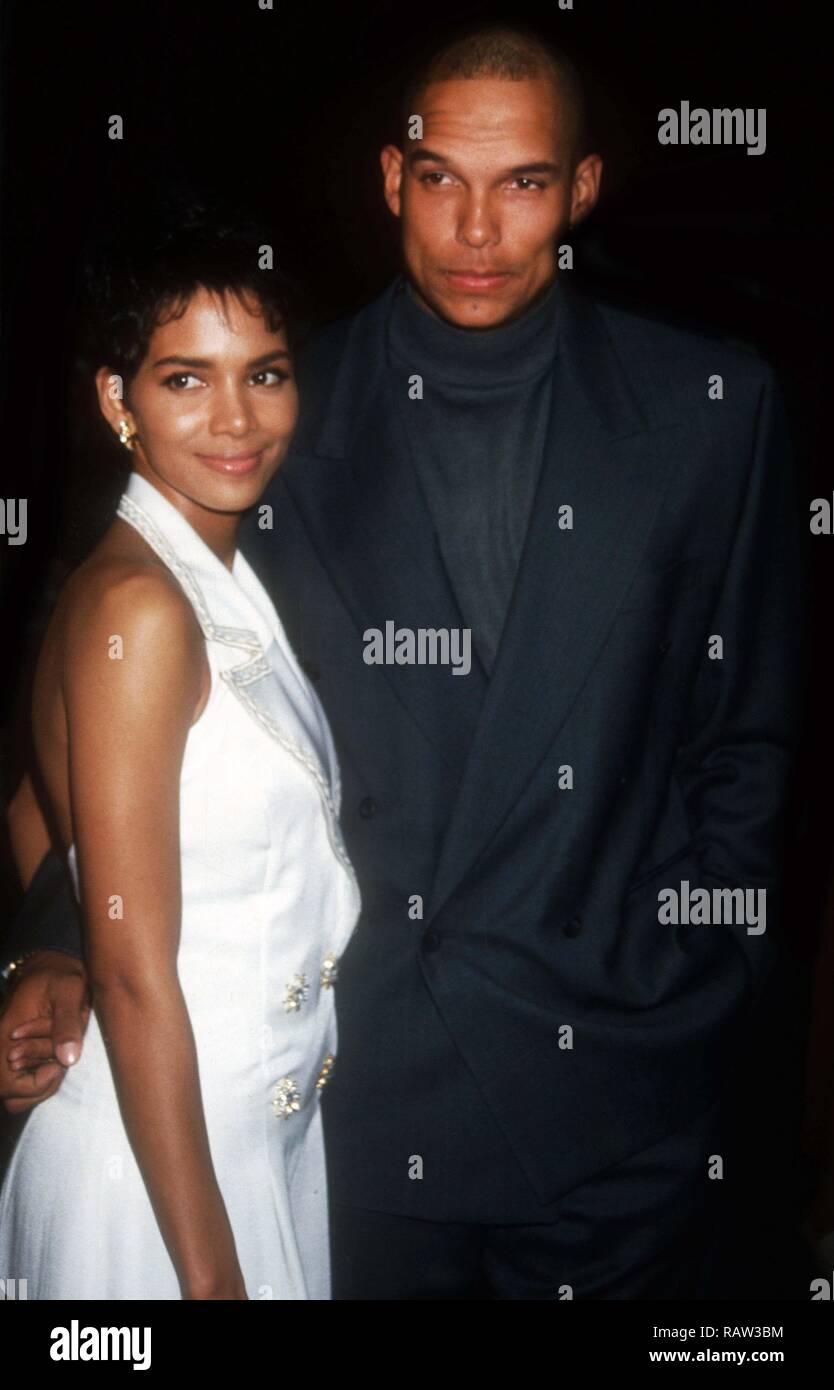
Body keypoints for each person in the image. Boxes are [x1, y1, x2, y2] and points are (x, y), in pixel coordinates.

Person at [2, 24, 802, 1299]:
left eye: (524, 182)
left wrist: (707, 978)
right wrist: (57, 937)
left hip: (620, 1098)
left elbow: (752, 736)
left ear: (582, 191)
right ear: (391, 180)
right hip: (353, 1109)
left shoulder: (713, 410)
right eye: (441, 178)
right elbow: (90, 672)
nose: (476, 230)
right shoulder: (261, 410)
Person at [0, 217, 361, 1299]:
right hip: (162, 1180)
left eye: (264, 373)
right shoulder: (141, 605)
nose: (237, 419)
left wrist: (41, 952)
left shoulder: (210, 569)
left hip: (251, 1140)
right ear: (119, 401)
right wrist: (210, 1278)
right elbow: (132, 966)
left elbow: (34, 803)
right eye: (184, 379)